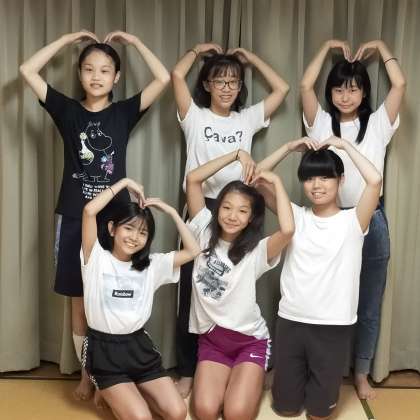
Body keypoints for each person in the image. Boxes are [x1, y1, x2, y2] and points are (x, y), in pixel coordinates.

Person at [19, 29, 170, 400]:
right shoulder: (67, 111)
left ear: (116, 77)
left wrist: (136, 43)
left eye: (105, 70)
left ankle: (114, 374)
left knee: (112, 296)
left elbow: (163, 79)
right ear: (80, 74)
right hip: (74, 217)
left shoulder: (123, 113)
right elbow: (27, 70)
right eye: (88, 69)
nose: (96, 76)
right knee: (79, 301)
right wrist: (67, 39)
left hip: (116, 221)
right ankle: (88, 376)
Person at [171, 42, 290, 396]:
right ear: (207, 84)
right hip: (202, 207)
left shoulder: (246, 118)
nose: (226, 87)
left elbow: (282, 89)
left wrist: (251, 59)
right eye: (219, 80)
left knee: (238, 286)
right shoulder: (194, 116)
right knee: (193, 292)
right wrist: (195, 51)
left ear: (240, 86)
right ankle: (188, 370)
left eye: (233, 81)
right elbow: (176, 75)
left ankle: (243, 357)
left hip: (240, 210)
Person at [300, 39, 406, 399]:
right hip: (329, 222)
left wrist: (381, 46)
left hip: (371, 220)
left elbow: (400, 84)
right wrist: (326, 46)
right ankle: (317, 367)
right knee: (323, 298)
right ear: (330, 92)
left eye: (353, 89)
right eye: (338, 89)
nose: (345, 96)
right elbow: (304, 85)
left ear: (364, 92)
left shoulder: (377, 124)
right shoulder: (320, 123)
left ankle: (361, 372)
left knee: (368, 304)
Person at [256, 136, 382, 420]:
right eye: (310, 178)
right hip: (291, 321)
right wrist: (288, 147)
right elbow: (254, 178)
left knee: (319, 414)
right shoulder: (295, 215)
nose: (317, 185)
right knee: (285, 409)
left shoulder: (354, 220)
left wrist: (343, 146)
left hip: (333, 326)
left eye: (325, 177)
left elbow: (375, 180)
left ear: (341, 180)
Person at [185, 149, 294, 420]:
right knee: (205, 411)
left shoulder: (257, 251)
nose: (232, 216)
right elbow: (193, 180)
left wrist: (276, 182)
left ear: (251, 218)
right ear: (217, 208)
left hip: (250, 342)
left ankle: (252, 375)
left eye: (242, 211)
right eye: (227, 207)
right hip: (213, 341)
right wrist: (235, 155)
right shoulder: (203, 230)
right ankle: (238, 380)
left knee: (236, 414)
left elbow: (288, 230)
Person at [80, 177, 200, 420]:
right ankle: (109, 390)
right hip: (103, 351)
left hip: (138, 348)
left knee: (178, 412)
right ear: (112, 229)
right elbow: (89, 211)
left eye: (143, 232)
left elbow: (193, 250)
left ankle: (125, 391)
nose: (135, 237)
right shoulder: (96, 257)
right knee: (141, 418)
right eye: (129, 228)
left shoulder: (152, 266)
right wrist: (124, 183)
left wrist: (172, 212)